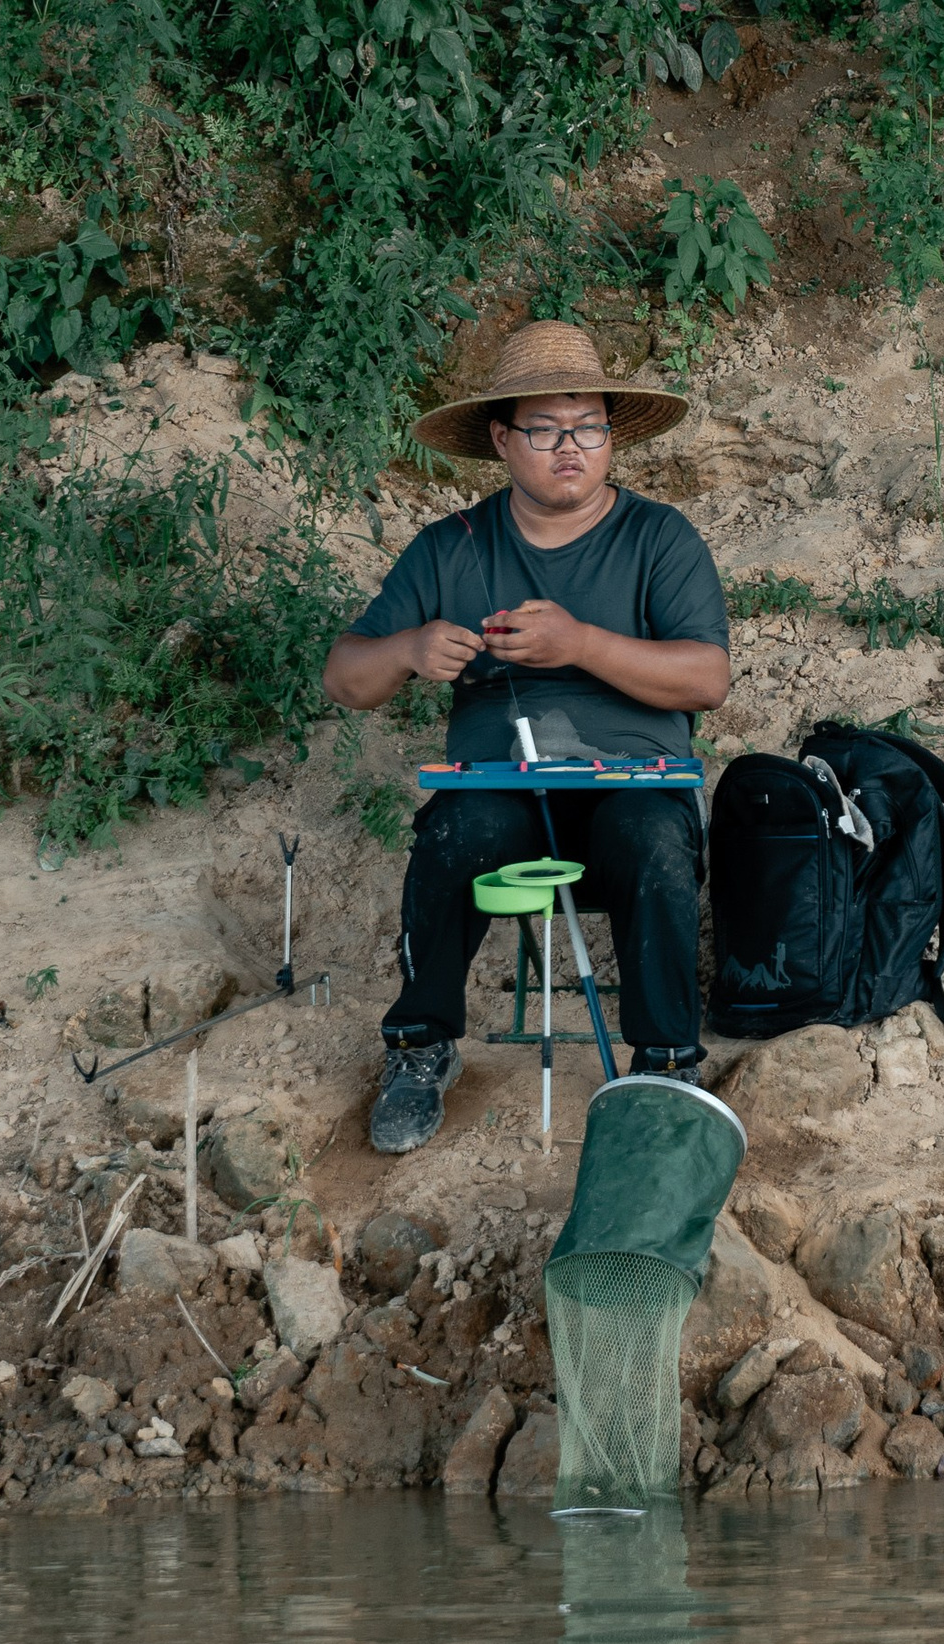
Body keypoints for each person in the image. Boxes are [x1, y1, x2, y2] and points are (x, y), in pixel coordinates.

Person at [322, 320, 730, 1154]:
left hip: (633, 785)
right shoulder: (453, 548)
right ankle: (419, 1045)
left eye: (588, 427)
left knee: (656, 837)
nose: (570, 448)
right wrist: (407, 649)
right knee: (454, 829)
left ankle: (665, 1067)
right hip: (501, 790)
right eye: (545, 430)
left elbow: (707, 678)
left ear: (612, 435)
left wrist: (579, 643)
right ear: (503, 441)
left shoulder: (660, 540)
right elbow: (345, 679)